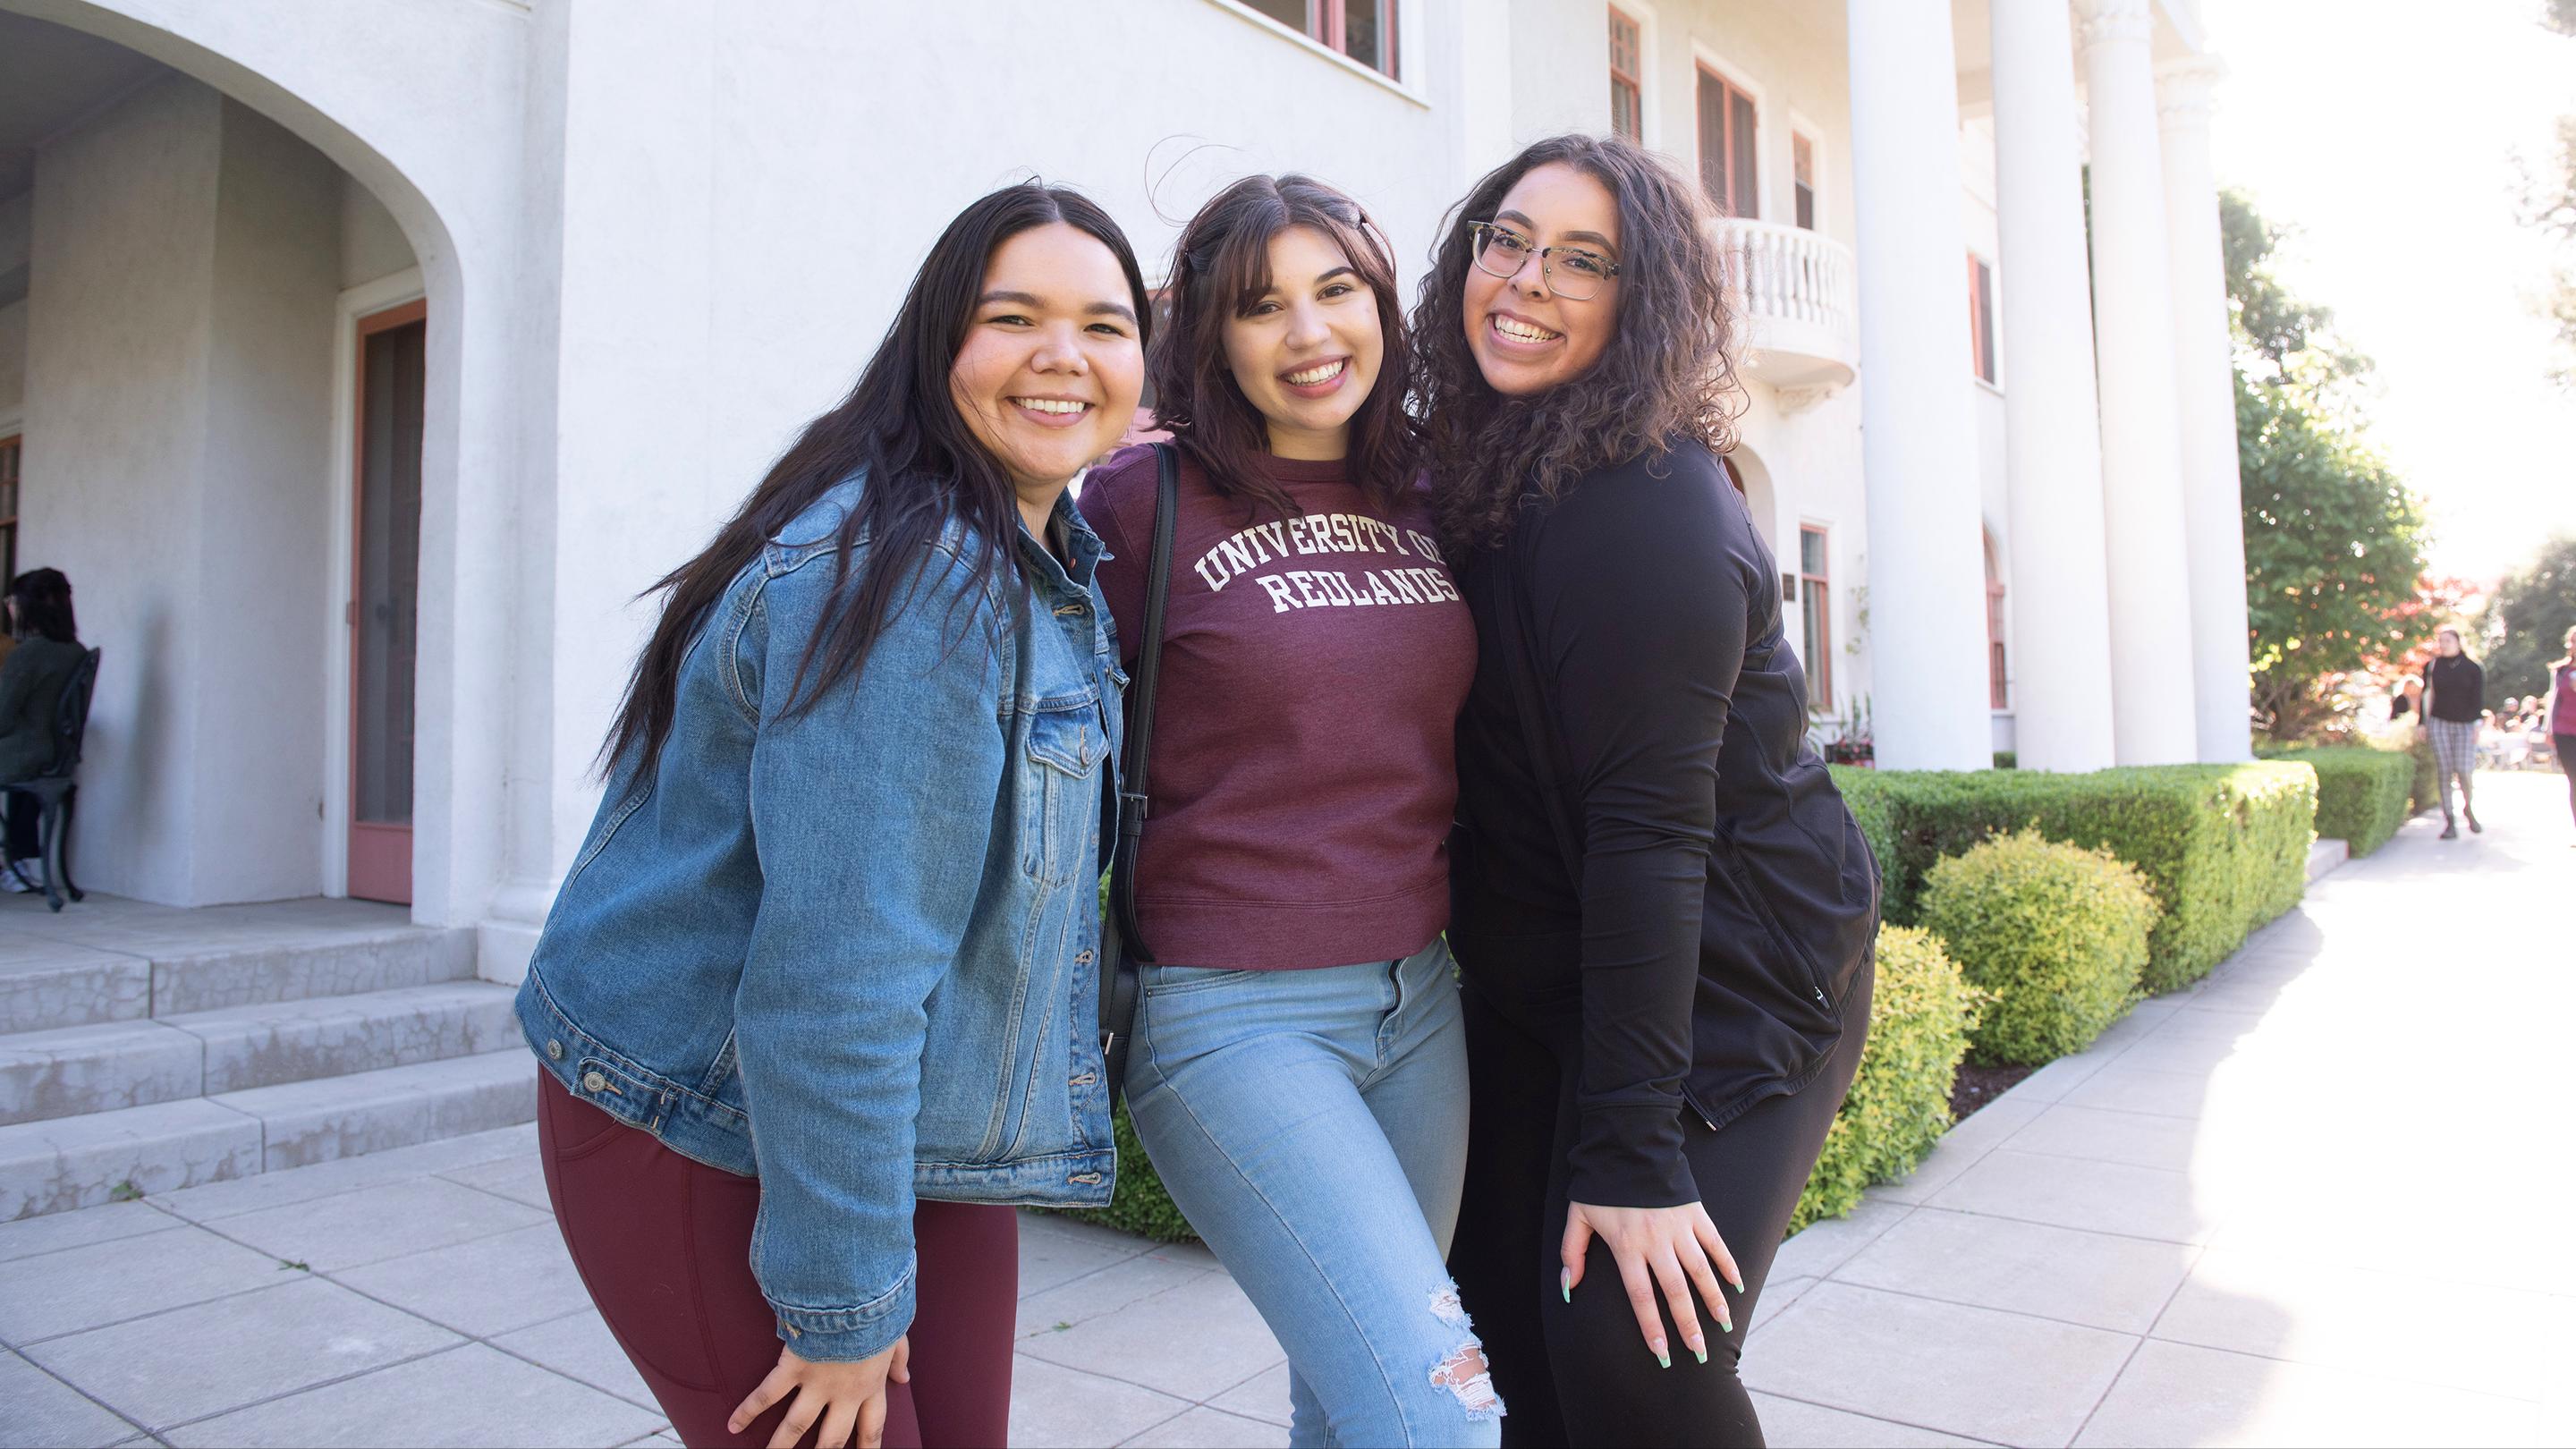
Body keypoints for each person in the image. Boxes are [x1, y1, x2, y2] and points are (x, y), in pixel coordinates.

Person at [512, 182, 1148, 1449]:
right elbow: (836, 985)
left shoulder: (1044, 559)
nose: (1063, 356)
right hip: (708, 1121)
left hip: (906, 1124)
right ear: (936, 346)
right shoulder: (919, 585)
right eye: (1011, 317)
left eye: (1106, 324)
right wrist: (840, 1308)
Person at [1419, 134, 1878, 1447]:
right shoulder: (1484, 462)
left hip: (1738, 969)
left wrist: (1634, 1158)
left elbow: (1650, 835)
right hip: (1543, 976)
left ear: (1644, 302)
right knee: (1499, 1336)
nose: (1524, 281)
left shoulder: (1645, 506)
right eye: (1505, 240)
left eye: (1583, 261)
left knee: (1628, 1341)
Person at [1075, 174, 1495, 1447]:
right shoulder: (1138, 505)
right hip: (1229, 1017)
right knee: (1437, 1419)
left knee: (1350, 1397)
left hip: (1420, 1002)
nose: (1310, 334)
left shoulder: (1436, 488)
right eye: (1264, 307)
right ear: (1209, 333)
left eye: (1337, 291)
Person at [0, 569, 82, 891]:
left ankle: (13, 865)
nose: (9, 606)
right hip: (52, 753)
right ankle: (15, 864)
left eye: (12, 599)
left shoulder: (28, 654)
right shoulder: (74, 650)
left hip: (23, 754)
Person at [2423, 624, 2485, 837]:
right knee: (2445, 770)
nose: (2444, 645)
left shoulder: (2473, 668)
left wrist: (2477, 724)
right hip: (2439, 722)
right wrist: (2423, 723)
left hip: (2465, 724)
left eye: (2448, 640)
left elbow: (2478, 700)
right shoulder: (2433, 666)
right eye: (2441, 641)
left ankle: (2468, 807)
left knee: (2464, 769)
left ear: (2458, 642)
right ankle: (2449, 820)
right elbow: (2427, 695)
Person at [2547, 627, 2576, 835]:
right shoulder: (2561, 670)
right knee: (2574, 779)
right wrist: (2548, 728)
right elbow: (2552, 700)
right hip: (2564, 729)